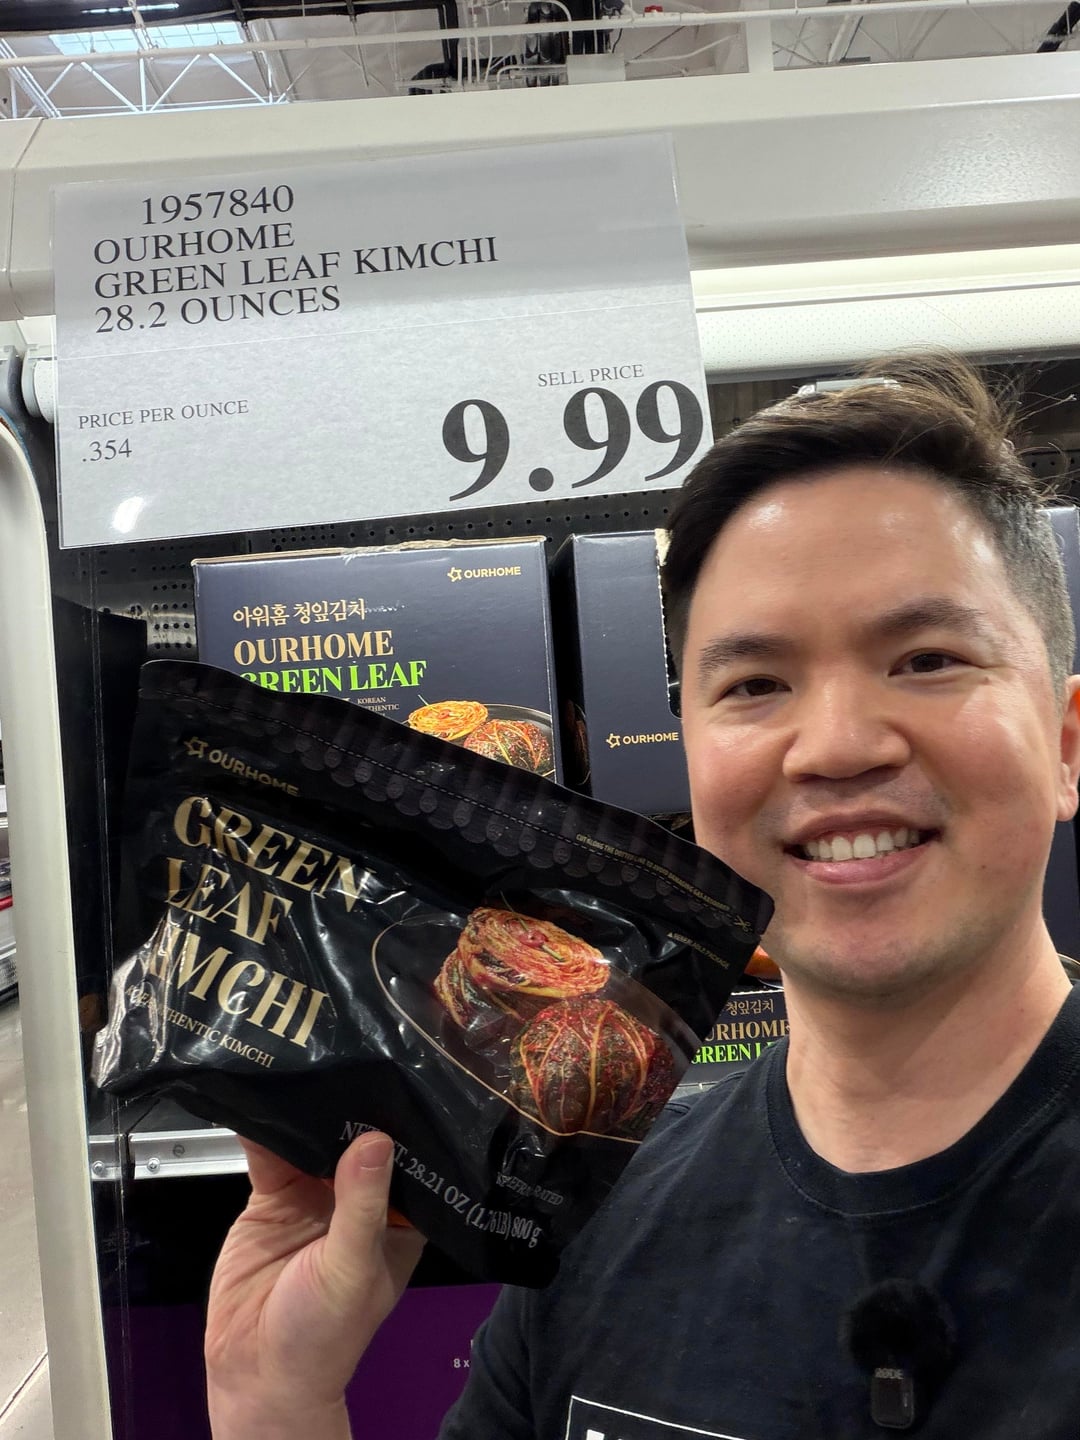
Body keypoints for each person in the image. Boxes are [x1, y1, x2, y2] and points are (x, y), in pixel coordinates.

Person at [204, 354, 1080, 1439]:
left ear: (1065, 745)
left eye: (928, 659)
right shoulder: (601, 1209)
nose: (837, 745)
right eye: (756, 684)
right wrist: (275, 1399)